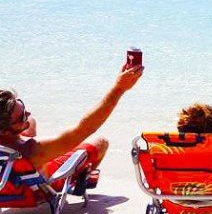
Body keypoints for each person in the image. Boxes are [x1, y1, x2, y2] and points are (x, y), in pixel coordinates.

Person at [0, 61, 144, 194]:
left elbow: (26, 123)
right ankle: (79, 180)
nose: (28, 113)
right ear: (5, 130)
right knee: (101, 142)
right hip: (38, 188)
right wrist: (119, 88)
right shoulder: (31, 149)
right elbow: (85, 128)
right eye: (21, 117)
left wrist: (23, 120)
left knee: (31, 122)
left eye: (23, 106)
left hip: (8, 184)